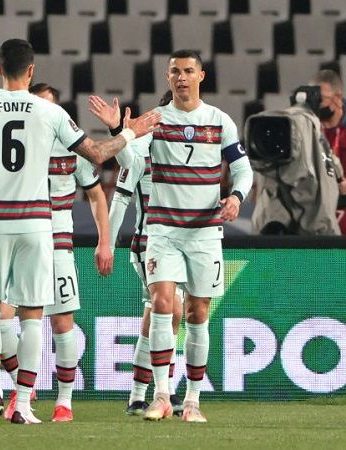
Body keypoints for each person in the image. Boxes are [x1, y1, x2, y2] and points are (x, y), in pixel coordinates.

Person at [0, 38, 160, 425]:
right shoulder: (50, 114)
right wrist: (130, 133)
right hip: (37, 225)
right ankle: (22, 404)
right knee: (33, 317)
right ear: (31, 70)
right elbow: (98, 155)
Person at [0, 83, 114, 423]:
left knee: (62, 323)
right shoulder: (17, 144)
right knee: (2, 318)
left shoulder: (71, 149)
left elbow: (95, 195)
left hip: (58, 241)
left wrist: (104, 241)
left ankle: (64, 400)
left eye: (45, 104)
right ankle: (25, 386)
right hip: (21, 233)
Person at [119, 50, 254, 422]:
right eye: (175, 71)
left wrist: (236, 197)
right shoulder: (156, 120)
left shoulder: (219, 121)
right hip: (162, 231)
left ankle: (192, 400)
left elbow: (243, 170)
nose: (181, 77)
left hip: (205, 234)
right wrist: (124, 133)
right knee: (162, 303)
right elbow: (131, 165)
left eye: (188, 71)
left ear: (201, 76)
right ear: (167, 77)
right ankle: (162, 395)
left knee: (198, 313)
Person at [90, 91, 185, 416]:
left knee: (160, 314)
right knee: (170, 310)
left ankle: (137, 394)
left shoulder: (196, 147)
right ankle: (165, 390)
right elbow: (121, 192)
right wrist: (108, 242)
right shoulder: (145, 144)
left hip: (183, 243)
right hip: (148, 243)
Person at [311, 69, 346, 234]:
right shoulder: (306, 130)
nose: (315, 104)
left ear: (338, 98)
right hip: (315, 218)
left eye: (321, 98)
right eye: (312, 98)